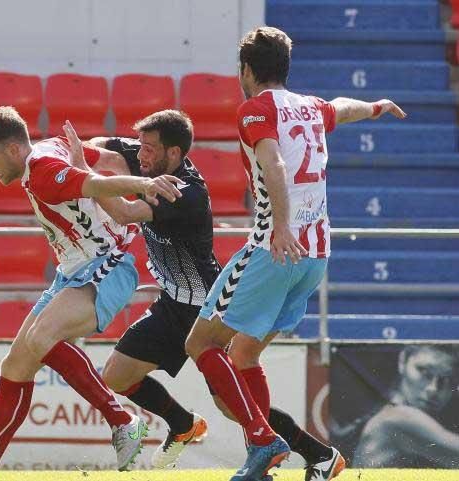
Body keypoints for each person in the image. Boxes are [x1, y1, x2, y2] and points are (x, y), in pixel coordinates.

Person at [182, 26, 406, 481]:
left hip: (272, 248)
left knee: (201, 343)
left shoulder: (254, 111)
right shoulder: (310, 108)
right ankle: (310, 457)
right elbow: (342, 108)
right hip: (316, 256)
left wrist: (281, 224)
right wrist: (376, 107)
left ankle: (264, 443)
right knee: (243, 357)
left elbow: (274, 162)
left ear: (246, 70)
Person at [76, 110, 348, 479]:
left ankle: (316, 453)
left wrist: (83, 177)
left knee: (234, 407)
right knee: (117, 376)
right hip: (172, 302)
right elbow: (104, 148)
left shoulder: (182, 192)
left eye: (150, 149)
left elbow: (124, 213)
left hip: (207, 305)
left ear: (173, 154)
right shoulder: (146, 160)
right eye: (140, 146)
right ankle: (183, 423)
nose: (141, 155)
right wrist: (71, 150)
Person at [0, 106, 183, 481]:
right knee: (15, 367)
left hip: (106, 267)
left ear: (12, 150)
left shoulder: (42, 172)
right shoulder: (51, 148)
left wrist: (144, 186)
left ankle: (122, 419)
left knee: (42, 337)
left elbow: (97, 184)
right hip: (73, 272)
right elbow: (106, 159)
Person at [353, 345, 459, 468]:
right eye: (424, 372)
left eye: (447, 379)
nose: (433, 389)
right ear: (403, 361)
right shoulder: (397, 419)